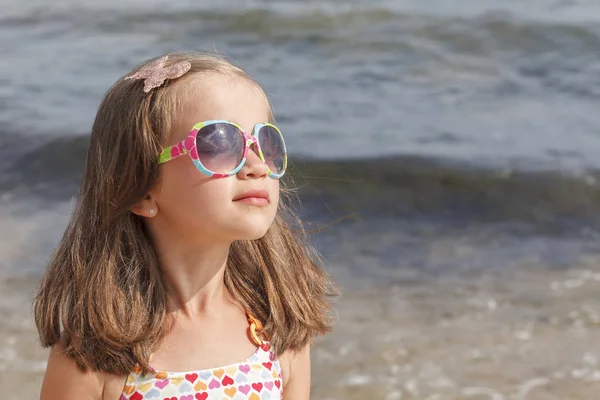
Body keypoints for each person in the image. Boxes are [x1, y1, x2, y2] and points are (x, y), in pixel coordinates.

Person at [33, 51, 338, 400]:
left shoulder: (277, 330)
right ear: (141, 190)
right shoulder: (99, 357)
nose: (256, 165)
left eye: (266, 143)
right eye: (219, 143)